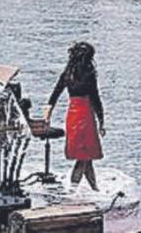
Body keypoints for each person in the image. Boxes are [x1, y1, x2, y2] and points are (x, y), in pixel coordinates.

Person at [44, 42, 105, 191]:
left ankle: (95, 189)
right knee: (84, 158)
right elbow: (96, 99)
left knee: (86, 157)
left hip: (72, 115)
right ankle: (72, 190)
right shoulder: (89, 75)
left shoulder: (67, 74)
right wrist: (102, 121)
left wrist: (47, 118)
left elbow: (53, 97)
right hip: (86, 116)